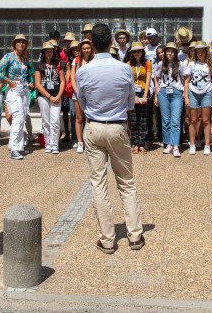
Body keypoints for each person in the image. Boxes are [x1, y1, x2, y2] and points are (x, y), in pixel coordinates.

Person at [76, 23, 144, 254]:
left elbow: (82, 102)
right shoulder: (124, 68)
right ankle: (135, 235)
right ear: (111, 43)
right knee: (126, 181)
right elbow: (131, 101)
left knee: (98, 183)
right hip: (117, 126)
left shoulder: (83, 71)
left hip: (94, 127)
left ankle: (107, 238)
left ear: (92, 44)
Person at [0, 34, 33, 160]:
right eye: (19, 42)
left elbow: (26, 74)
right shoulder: (9, 56)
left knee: (21, 118)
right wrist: (8, 81)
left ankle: (18, 146)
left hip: (23, 90)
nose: (21, 44)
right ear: (15, 44)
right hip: (13, 89)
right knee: (17, 117)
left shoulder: (24, 58)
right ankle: (14, 149)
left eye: (23, 42)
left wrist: (28, 83)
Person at [183, 41, 212, 155]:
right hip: (193, 92)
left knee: (206, 120)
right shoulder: (192, 64)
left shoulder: (210, 64)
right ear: (195, 53)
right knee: (193, 120)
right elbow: (186, 81)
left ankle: (207, 145)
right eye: (198, 51)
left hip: (206, 92)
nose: (200, 53)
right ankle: (192, 144)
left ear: (206, 52)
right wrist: (186, 96)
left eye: (202, 51)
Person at [155, 42, 186, 157]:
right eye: (168, 51)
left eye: (172, 51)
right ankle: (168, 144)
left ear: (175, 53)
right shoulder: (160, 64)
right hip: (163, 92)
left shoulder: (180, 64)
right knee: (166, 120)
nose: (170, 53)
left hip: (176, 92)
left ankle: (176, 146)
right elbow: (156, 76)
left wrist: (184, 92)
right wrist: (157, 88)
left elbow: (185, 77)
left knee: (176, 120)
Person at [35, 41, 65, 154]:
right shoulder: (39, 65)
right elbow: (37, 83)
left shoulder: (59, 63)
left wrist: (58, 95)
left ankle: (55, 144)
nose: (49, 53)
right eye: (47, 51)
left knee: (55, 120)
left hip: (56, 95)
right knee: (46, 120)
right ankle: (48, 143)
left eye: (51, 51)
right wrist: (49, 96)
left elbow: (62, 81)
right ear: (43, 52)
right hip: (43, 96)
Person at [69, 38, 94, 154]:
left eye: (88, 48)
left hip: (91, 93)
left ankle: (90, 142)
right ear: (81, 49)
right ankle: (80, 142)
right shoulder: (76, 60)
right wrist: (76, 91)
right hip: (78, 93)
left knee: (90, 118)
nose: (86, 50)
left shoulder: (95, 59)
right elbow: (72, 77)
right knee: (79, 118)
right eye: (84, 48)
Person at [126, 42, 152, 153]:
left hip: (143, 91)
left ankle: (142, 144)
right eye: (135, 51)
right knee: (134, 119)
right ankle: (135, 143)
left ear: (142, 52)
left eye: (139, 51)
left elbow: (148, 80)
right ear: (132, 53)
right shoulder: (128, 65)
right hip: (133, 93)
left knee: (143, 119)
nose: (137, 53)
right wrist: (134, 96)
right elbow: (128, 82)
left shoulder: (147, 63)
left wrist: (145, 95)